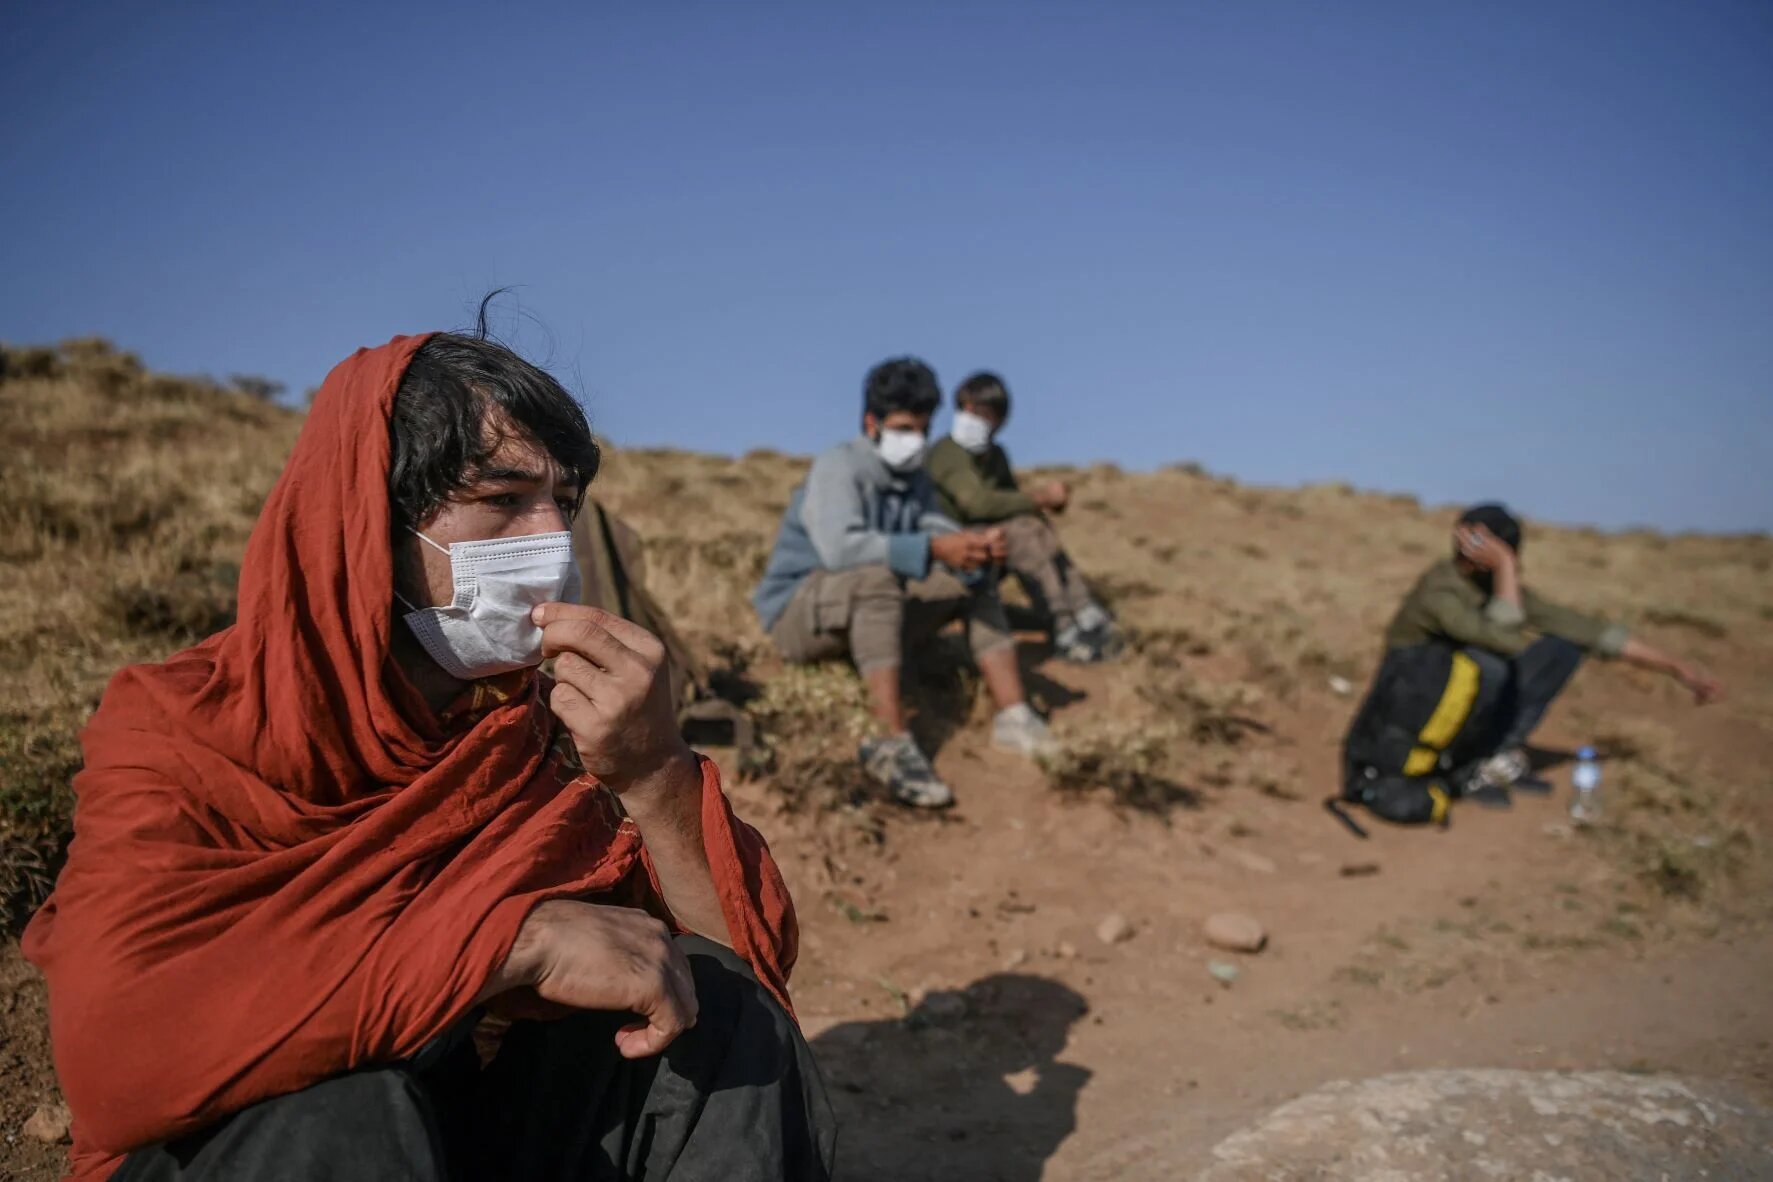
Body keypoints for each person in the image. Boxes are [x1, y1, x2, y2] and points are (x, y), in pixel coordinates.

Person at [24, 325, 835, 1181]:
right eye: (502, 498)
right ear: (370, 517)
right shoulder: (180, 730)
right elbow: (119, 1053)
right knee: (345, 1111)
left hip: (468, 1131)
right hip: (272, 1149)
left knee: (720, 1004)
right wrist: (506, 948)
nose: (551, 541)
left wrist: (653, 769)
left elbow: (745, 958)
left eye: (564, 502)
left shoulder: (547, 729)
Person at [752, 358, 1055, 809]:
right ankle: (888, 743)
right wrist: (934, 550)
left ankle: (1014, 717)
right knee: (875, 578)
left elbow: (932, 525)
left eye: (921, 429)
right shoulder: (840, 466)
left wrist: (969, 544)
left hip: (869, 608)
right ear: (871, 422)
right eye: (902, 428)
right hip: (799, 614)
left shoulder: (916, 479)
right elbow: (840, 550)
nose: (913, 441)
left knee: (975, 576)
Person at [1340, 502, 1723, 824]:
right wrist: (1505, 566)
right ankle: (1461, 765)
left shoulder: (1495, 590)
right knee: (1488, 663)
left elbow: (1590, 631)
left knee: (1563, 647)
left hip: (1458, 701)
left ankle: (1493, 757)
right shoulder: (1440, 588)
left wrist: (1677, 667)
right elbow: (1504, 640)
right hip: (1408, 710)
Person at [924, 372, 1118, 662]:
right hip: (953, 543)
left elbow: (1012, 504)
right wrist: (1041, 498)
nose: (970, 418)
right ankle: (1062, 623)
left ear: (999, 421)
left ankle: (1083, 609)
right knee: (1022, 533)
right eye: (966, 409)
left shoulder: (995, 455)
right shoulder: (947, 453)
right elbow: (976, 504)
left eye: (981, 412)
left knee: (1033, 526)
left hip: (989, 540)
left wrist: (1040, 506)